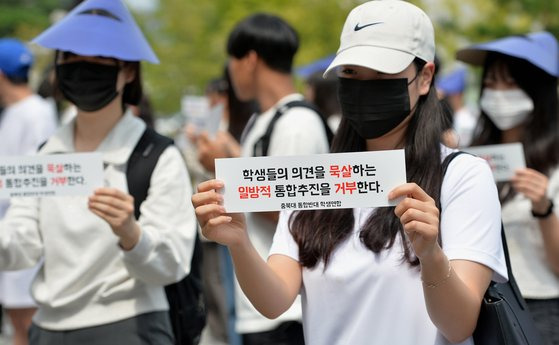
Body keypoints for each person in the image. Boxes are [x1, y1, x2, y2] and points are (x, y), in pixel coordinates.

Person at [193, 1, 508, 344]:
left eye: (382, 74)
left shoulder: (461, 176)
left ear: (425, 77)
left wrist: (431, 254)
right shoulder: (317, 179)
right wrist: (238, 242)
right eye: (352, 73)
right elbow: (275, 300)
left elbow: (460, 325)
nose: (365, 86)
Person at [0, 0, 197, 344]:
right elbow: (22, 244)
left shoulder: (156, 154)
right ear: (57, 66)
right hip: (47, 327)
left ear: (129, 71)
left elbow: (172, 263)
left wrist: (131, 233)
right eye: (71, 58)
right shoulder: (47, 152)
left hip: (129, 325)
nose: (83, 67)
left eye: (100, 60)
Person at [211, 13, 331, 345]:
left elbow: (298, 211)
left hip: (285, 306)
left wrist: (232, 181)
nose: (230, 71)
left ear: (249, 59)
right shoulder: (265, 121)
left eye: (232, 60)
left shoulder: (295, 124)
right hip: (265, 302)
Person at [457, 31, 559, 344]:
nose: (498, 94)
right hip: (476, 305)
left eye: (510, 83)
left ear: (536, 90)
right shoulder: (468, 158)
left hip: (538, 307)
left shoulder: (554, 164)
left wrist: (544, 207)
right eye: (490, 83)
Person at [0, 38, 58, 345]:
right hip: (8, 226)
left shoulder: (36, 112)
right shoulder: (14, 112)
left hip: (26, 227)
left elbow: (40, 175)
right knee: (16, 319)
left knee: (27, 320)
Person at [436, 67, 477, 147]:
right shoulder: (445, 114)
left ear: (459, 95)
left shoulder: (467, 120)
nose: (444, 99)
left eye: (449, 95)